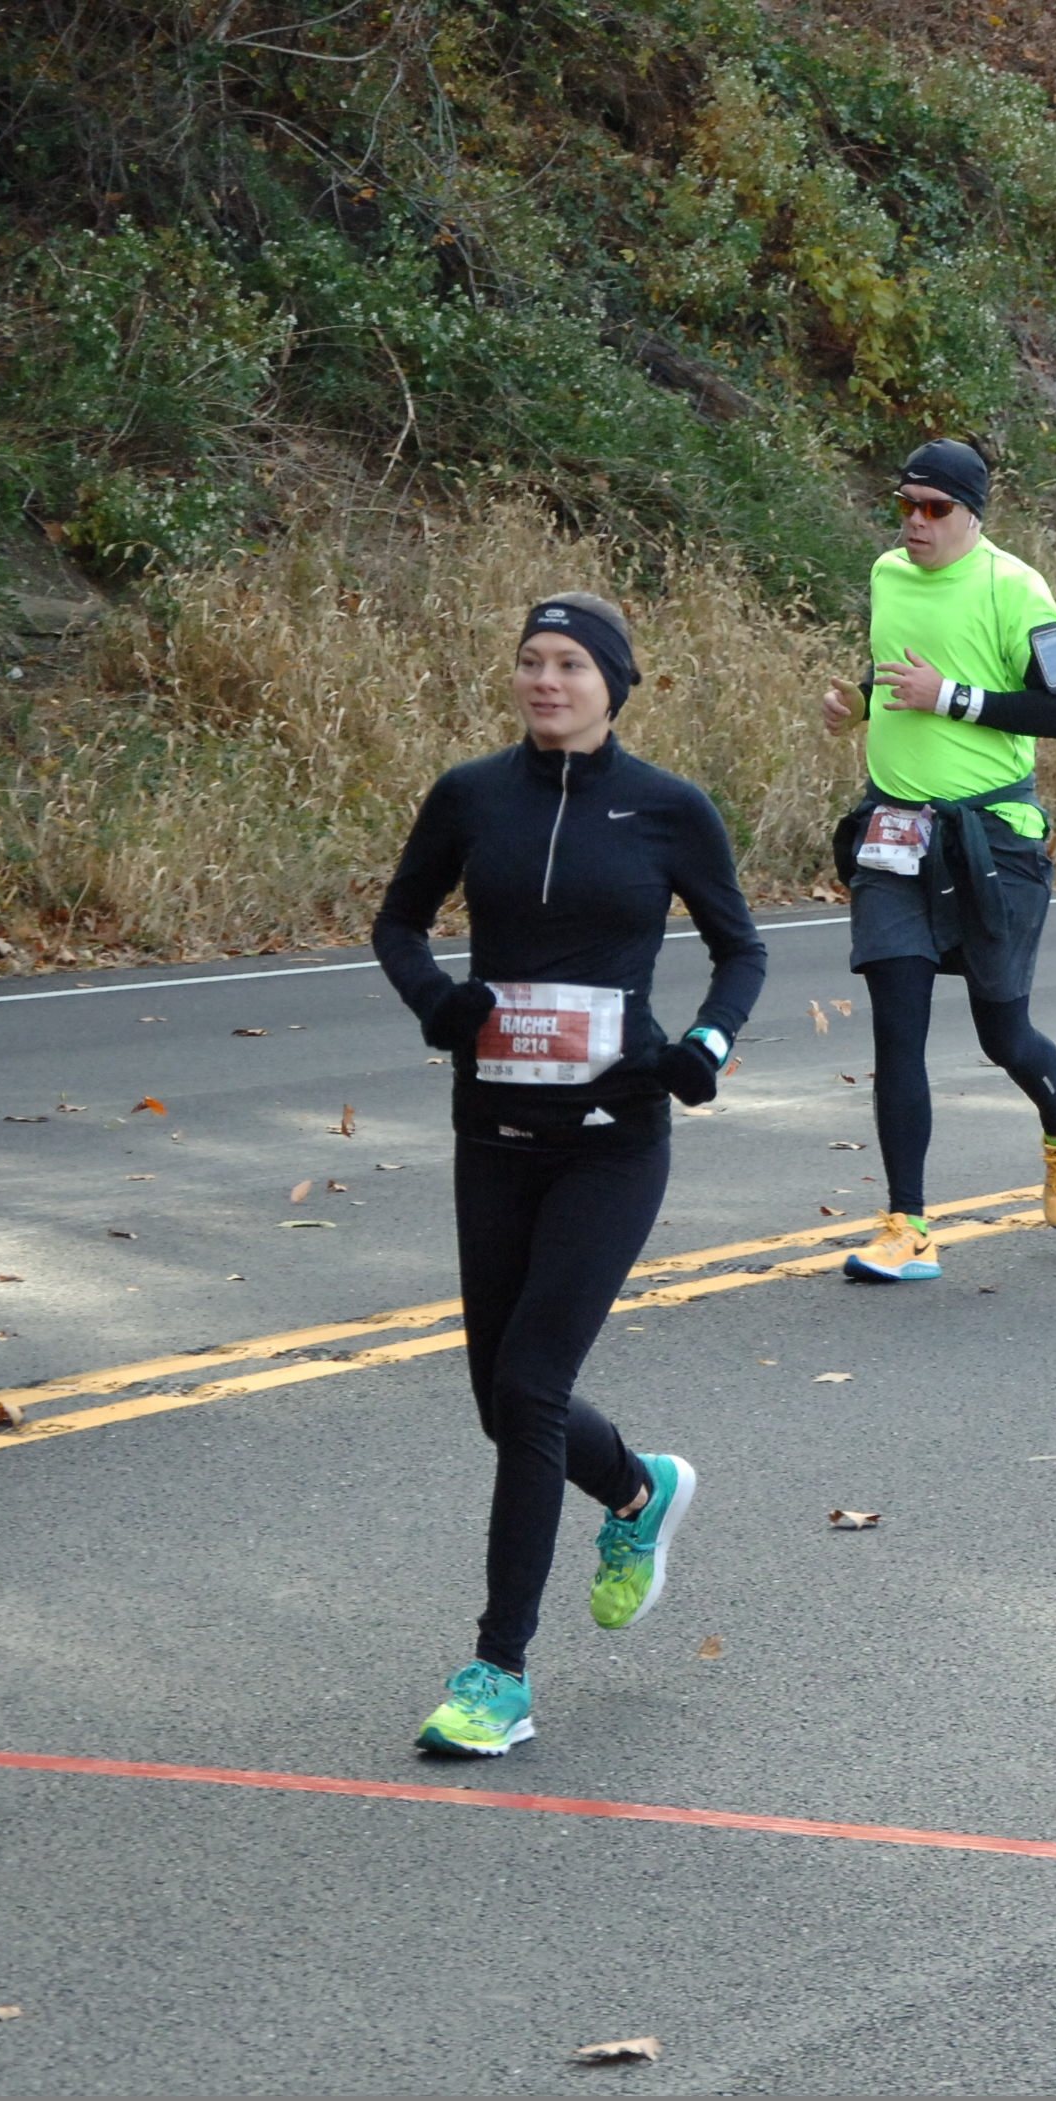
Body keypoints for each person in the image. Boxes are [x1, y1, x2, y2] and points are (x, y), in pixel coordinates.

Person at [373, 593, 766, 1755]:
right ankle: (639, 1492)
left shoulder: (668, 809)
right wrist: (439, 1003)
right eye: (531, 663)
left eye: (570, 665)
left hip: (614, 1137)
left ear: (613, 682)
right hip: (492, 1133)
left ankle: (500, 1672)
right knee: (504, 1399)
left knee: (533, 1385)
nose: (546, 682)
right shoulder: (471, 796)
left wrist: (703, 1047)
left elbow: (739, 946)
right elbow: (399, 925)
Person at [819, 439, 1056, 1282]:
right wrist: (858, 702)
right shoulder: (885, 576)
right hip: (895, 832)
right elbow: (893, 675)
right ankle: (907, 1226)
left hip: (991, 838)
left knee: (1002, 1032)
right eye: (905, 505)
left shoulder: (1017, 588)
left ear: (974, 514)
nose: (916, 523)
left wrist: (952, 698)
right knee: (897, 1030)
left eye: (935, 509)